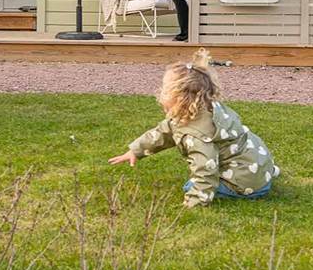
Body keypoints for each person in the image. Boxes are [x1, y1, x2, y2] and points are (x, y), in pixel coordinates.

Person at [108, 49, 279, 209]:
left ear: (179, 96)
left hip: (246, 183)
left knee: (190, 185)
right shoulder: (205, 110)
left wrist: (196, 199)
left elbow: (205, 166)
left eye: (165, 89)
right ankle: (261, 177)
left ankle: (243, 188)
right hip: (260, 169)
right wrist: (136, 151)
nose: (160, 92)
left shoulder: (198, 134)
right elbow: (163, 132)